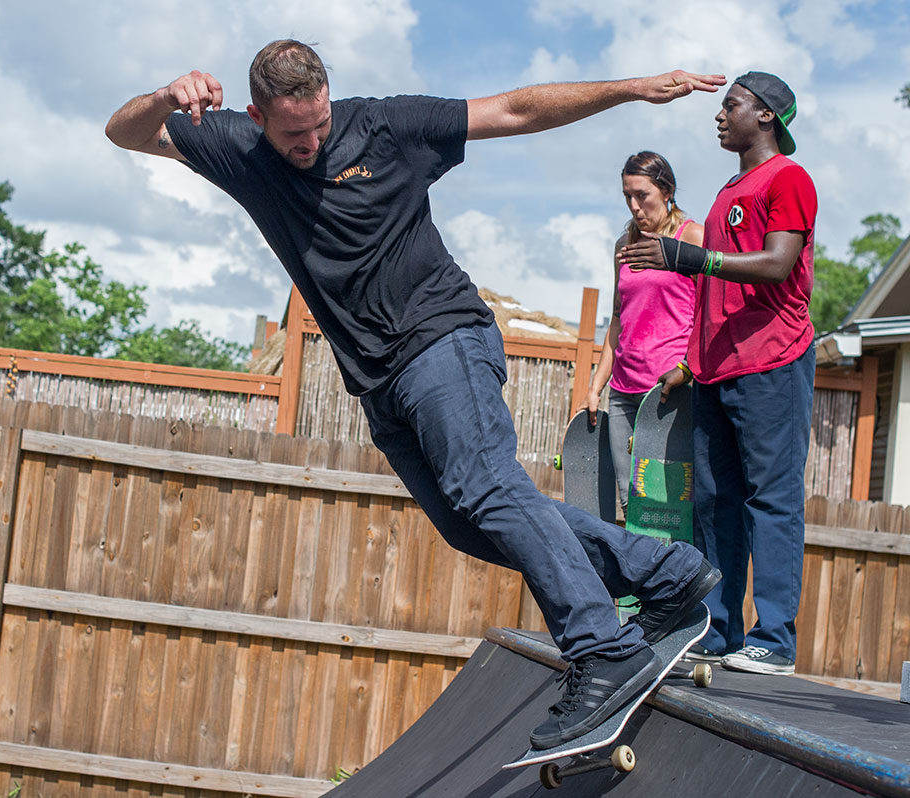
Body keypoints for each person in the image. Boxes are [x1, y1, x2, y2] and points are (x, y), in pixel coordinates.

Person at [106, 40, 725, 747]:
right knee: (469, 523)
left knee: (489, 488)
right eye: (291, 134)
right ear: (257, 117)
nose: (308, 144)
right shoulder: (238, 148)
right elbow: (124, 132)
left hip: (443, 341)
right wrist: (164, 95)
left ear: (328, 99)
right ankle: (665, 572)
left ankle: (602, 646)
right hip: (377, 381)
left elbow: (516, 109)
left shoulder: (387, 125)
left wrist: (634, 87)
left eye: (317, 125)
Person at [618, 72, 816, 676]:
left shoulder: (789, 178)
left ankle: (775, 639)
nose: (719, 115)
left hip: (774, 360)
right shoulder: (731, 188)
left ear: (766, 116)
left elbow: (780, 264)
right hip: (716, 368)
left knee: (771, 500)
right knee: (714, 501)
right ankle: (721, 629)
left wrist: (692, 256)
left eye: (731, 105)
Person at [583, 152, 703, 513]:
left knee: (663, 507)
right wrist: (595, 386)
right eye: (627, 197)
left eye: (642, 195)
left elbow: (707, 316)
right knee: (629, 502)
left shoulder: (693, 236)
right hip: (622, 392)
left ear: (667, 191)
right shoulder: (624, 246)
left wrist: (686, 369)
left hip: (668, 393)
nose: (635, 206)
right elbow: (617, 319)